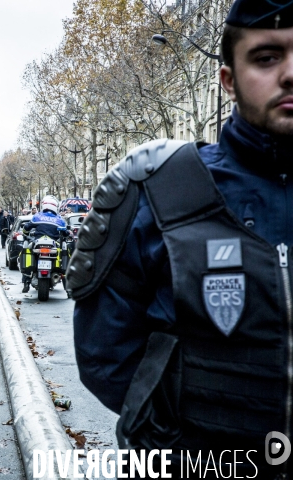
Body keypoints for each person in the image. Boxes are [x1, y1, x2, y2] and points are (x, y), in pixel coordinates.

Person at [67, 1, 293, 476]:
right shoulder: (160, 192)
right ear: (227, 80)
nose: (290, 74)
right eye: (267, 57)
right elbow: (104, 358)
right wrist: (183, 446)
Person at [21, 196, 66, 293]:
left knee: (26, 250)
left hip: (38, 242)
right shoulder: (60, 219)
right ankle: (68, 288)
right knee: (66, 252)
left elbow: (27, 227)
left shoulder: (37, 216)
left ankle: (26, 281)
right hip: (54, 244)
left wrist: (25, 233)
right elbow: (65, 232)